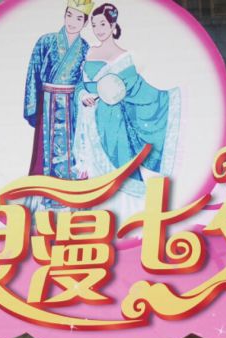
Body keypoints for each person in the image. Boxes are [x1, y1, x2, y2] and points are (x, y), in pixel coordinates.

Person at [72, 2, 181, 219]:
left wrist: (168, 98)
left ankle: (125, 221)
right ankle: (96, 221)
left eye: (103, 24)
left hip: (114, 124)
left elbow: (136, 91)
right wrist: (83, 96)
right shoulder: (89, 53)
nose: (98, 29)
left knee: (119, 170)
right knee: (93, 174)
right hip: (89, 121)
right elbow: (80, 85)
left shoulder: (125, 57)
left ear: (113, 25)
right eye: (94, 25)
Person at [23, 0, 93, 209]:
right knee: (45, 153)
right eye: (69, 15)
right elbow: (33, 73)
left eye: (79, 18)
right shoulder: (46, 41)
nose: (72, 21)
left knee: (73, 152)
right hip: (48, 105)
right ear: (64, 15)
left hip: (72, 107)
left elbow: (83, 80)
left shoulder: (85, 48)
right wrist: (33, 106)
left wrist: (84, 95)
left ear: (85, 23)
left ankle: (71, 199)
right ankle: (44, 201)